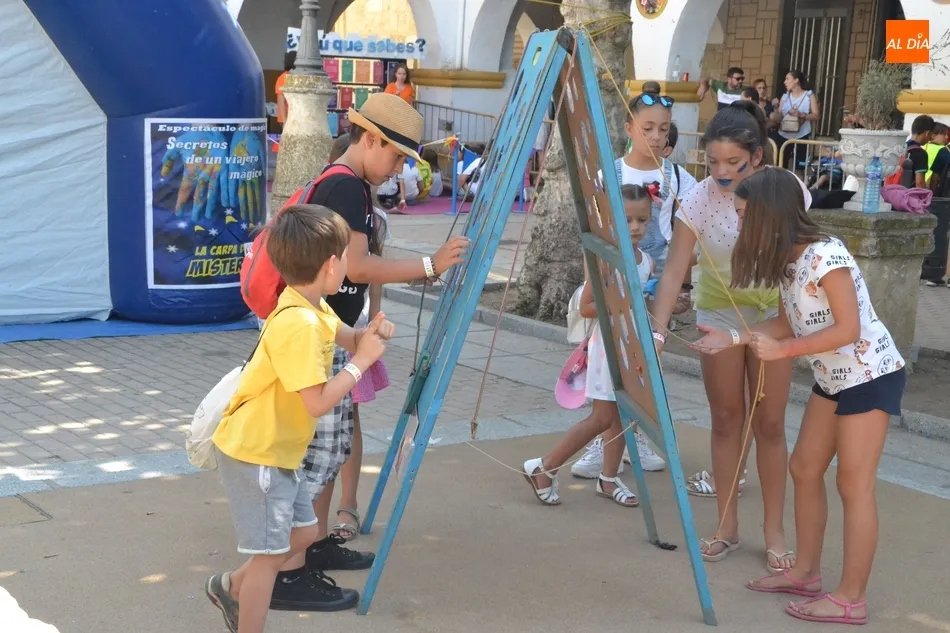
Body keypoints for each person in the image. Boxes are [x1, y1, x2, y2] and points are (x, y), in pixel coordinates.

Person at [266, 92, 469, 611]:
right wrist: (429, 266)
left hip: (332, 332)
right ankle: (288, 574)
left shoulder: (350, 183)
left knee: (330, 449)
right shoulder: (345, 186)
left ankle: (310, 548)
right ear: (372, 139)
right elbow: (356, 266)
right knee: (317, 455)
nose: (399, 169)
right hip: (321, 337)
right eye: (398, 157)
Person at [696, 168, 905, 626]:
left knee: (854, 485)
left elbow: (848, 328)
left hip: (870, 375)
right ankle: (806, 573)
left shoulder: (827, 255)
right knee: (805, 468)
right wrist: (733, 338)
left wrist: (783, 352)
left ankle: (850, 599)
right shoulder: (789, 261)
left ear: (769, 215)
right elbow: (789, 322)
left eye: (744, 214)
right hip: (834, 378)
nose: (738, 223)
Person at [206, 204, 395, 631]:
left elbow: (348, 337)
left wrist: (369, 335)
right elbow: (316, 402)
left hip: (276, 452)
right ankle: (243, 604)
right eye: (345, 257)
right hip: (258, 454)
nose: (348, 266)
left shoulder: (311, 306)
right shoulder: (300, 323)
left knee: (305, 534)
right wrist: (361, 363)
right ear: (330, 264)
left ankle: (229, 586)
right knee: (270, 559)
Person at [650, 101, 810, 571]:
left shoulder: (785, 189)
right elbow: (674, 269)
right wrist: (657, 331)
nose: (721, 172)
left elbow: (802, 259)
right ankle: (726, 526)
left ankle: (775, 532)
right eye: (713, 162)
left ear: (757, 156)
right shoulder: (697, 198)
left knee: (770, 423)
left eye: (733, 162)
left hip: (775, 312)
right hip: (719, 311)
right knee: (725, 419)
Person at [524, 184, 658, 506]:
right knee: (602, 417)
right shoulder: (605, 259)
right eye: (627, 219)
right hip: (608, 347)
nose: (635, 227)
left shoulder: (646, 261)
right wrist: (626, 303)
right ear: (611, 219)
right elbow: (586, 307)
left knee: (623, 415)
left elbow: (644, 307)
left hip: (632, 347)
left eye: (642, 220)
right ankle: (545, 466)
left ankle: (608, 479)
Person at [773, 71, 820, 176]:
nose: (785, 82)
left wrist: (801, 115)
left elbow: (816, 116)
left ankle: (798, 185)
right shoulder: (785, 96)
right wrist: (775, 108)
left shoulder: (809, 95)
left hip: (802, 135)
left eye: (787, 79)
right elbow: (779, 117)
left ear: (796, 80)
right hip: (783, 135)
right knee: (780, 166)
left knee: (800, 167)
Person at [901, 114, 935, 189]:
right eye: (931, 135)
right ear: (927, 133)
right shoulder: (920, 153)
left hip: (892, 192)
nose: (930, 139)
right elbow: (919, 184)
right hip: (908, 194)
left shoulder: (901, 147)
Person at [925, 121, 950, 188]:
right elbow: (935, 176)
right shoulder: (943, 149)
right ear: (933, 136)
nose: (947, 137)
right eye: (944, 134)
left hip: (918, 180)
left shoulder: (923, 146)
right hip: (930, 183)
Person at [275, 51, 296, 128]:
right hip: (286, 118)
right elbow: (281, 101)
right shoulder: (283, 78)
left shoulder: (296, 77)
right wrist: (285, 121)